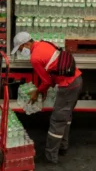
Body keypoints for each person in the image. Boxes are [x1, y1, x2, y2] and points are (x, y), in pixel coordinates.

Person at [11, 32, 82, 165]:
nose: (22, 52)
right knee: (65, 117)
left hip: (68, 85)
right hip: (77, 80)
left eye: (21, 49)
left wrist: (37, 92)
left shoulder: (35, 58)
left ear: (26, 44)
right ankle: (63, 147)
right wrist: (43, 90)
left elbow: (46, 81)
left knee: (57, 120)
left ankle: (50, 157)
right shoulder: (45, 43)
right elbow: (54, 67)